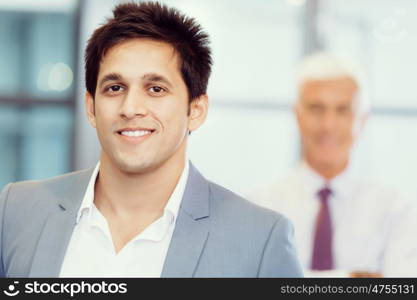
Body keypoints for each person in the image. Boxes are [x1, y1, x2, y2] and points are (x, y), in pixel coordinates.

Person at [0, 2, 302, 278]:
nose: (131, 109)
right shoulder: (16, 210)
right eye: (115, 88)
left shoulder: (260, 240)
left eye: (156, 89)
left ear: (195, 110)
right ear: (91, 108)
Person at [247, 52, 417, 277]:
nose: (328, 125)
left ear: (362, 120)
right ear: (298, 115)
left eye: (343, 110)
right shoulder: (257, 207)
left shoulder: (396, 210)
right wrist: (351, 277)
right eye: (317, 109)